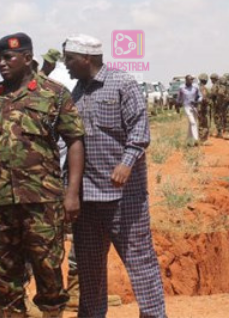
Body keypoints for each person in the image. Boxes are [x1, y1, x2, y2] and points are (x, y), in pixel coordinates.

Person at [0, 33, 85, 318]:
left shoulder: (54, 94)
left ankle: (51, 312)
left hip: (43, 201)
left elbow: (75, 141)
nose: (1, 64)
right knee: (6, 273)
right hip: (0, 203)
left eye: (8, 58)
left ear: (28, 58)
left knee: (48, 268)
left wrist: (72, 193)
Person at [64, 34, 167, 318]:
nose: (66, 64)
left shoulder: (123, 83)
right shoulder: (76, 92)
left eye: (69, 59)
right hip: (87, 197)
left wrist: (127, 162)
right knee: (89, 266)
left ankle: (153, 314)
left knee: (139, 259)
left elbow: (139, 129)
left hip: (124, 196)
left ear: (86, 58)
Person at [177, 75, 201, 144]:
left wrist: (197, 101)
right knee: (193, 122)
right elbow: (179, 98)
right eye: (190, 79)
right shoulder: (181, 87)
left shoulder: (195, 87)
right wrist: (177, 106)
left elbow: (200, 96)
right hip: (186, 106)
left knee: (192, 123)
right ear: (186, 80)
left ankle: (188, 139)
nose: (192, 81)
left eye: (192, 79)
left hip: (194, 107)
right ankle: (196, 139)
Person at [197, 73, 210, 142]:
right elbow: (204, 98)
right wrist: (209, 102)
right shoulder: (203, 88)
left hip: (198, 108)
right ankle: (203, 139)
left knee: (201, 123)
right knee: (203, 123)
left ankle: (201, 138)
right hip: (202, 108)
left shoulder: (197, 87)